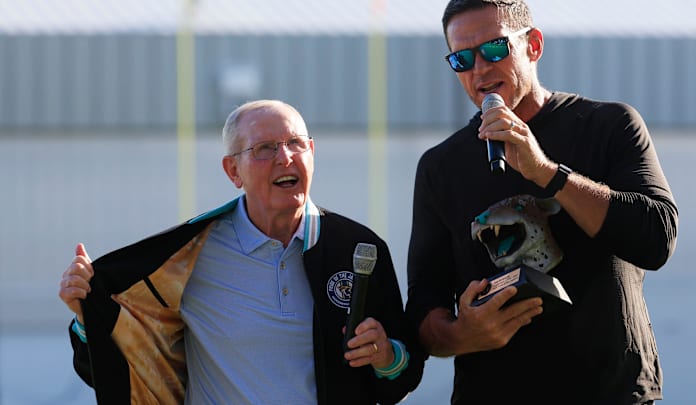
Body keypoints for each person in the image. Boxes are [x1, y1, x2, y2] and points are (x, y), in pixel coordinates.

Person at [59, 99, 424, 404]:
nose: (285, 158)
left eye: (295, 143)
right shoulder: (187, 257)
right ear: (233, 170)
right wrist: (87, 315)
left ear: (311, 152)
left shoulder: (360, 248)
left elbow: (402, 378)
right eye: (265, 148)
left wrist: (387, 356)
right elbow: (118, 369)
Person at [405, 1, 679, 404]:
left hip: (611, 393)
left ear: (533, 45)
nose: (479, 69)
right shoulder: (440, 167)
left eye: (495, 49)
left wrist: (548, 173)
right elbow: (424, 308)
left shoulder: (609, 125)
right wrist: (459, 335)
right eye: (461, 59)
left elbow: (656, 239)